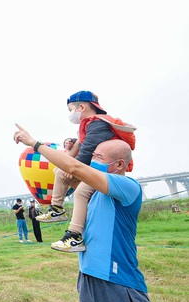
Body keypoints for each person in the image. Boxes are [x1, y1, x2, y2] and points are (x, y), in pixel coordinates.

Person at [14, 125, 177, 302]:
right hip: (87, 281)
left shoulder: (127, 187)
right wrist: (70, 151)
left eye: (99, 157)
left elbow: (76, 168)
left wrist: (34, 144)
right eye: (92, 156)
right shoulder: (88, 191)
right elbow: (70, 169)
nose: (92, 160)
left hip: (119, 285)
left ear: (119, 164)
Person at [39, 91, 136, 254]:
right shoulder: (92, 125)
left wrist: (75, 166)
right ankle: (57, 208)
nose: (71, 114)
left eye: (71, 109)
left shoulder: (97, 124)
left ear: (82, 107)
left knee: (81, 192)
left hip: (107, 170)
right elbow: (87, 144)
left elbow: (88, 150)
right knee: (62, 174)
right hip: (97, 168)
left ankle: (74, 235)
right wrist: (74, 142)